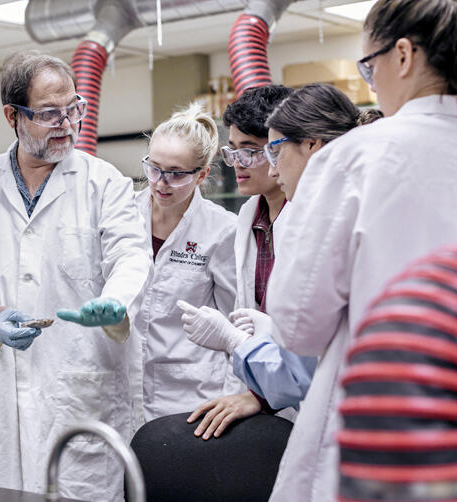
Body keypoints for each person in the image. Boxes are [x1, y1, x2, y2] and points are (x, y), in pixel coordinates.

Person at [261, 1, 457, 502]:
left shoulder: (357, 158)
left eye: (368, 68)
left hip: (377, 458)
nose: (371, 87)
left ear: (402, 56)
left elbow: (297, 325)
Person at [0, 51, 151, 502]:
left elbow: (131, 254)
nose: (67, 123)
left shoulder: (103, 182)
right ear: (12, 115)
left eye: (74, 109)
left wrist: (116, 299)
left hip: (79, 390)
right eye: (49, 113)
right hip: (0, 399)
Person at [184, 85, 379, 442]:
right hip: (289, 398)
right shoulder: (249, 217)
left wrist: (245, 341)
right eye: (234, 152)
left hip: (325, 406)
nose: (271, 169)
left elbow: (302, 366)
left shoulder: (326, 225)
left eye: (268, 151)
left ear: (312, 146)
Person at [184, 85, 294, 440]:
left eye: (249, 151)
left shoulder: (309, 217)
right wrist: (256, 394)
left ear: (280, 147)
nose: (237, 165)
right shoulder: (249, 215)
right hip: (266, 397)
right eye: (234, 151)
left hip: (304, 399)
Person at [134, 103, 241, 422]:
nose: (161, 182)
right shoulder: (122, 215)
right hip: (127, 388)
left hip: (191, 397)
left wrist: (235, 396)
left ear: (203, 174)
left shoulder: (221, 231)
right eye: (154, 168)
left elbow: (236, 326)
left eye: (176, 174)